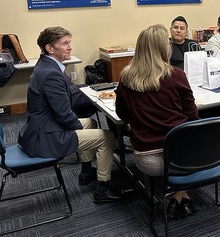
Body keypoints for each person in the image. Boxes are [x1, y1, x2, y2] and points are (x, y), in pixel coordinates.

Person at [18, 26, 122, 203]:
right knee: (107, 136)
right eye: (65, 43)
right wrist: (77, 128)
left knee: (91, 123)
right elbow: (65, 115)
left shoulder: (46, 65)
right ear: (50, 48)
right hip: (46, 137)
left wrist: (80, 126)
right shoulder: (51, 74)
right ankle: (103, 190)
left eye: (69, 43)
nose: (69, 47)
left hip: (42, 127)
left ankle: (87, 171)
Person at [115, 24, 199, 220]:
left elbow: (122, 114)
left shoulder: (127, 77)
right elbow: (192, 115)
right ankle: (180, 196)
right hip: (183, 156)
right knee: (189, 142)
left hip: (147, 160)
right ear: (163, 48)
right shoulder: (177, 75)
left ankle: (178, 197)